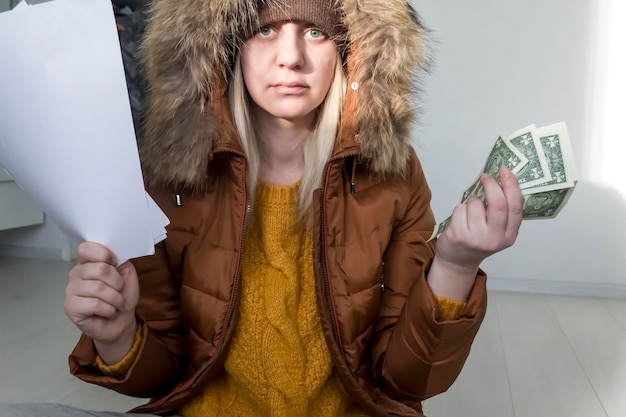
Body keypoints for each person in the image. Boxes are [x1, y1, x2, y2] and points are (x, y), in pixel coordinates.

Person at [0, 0, 523, 416]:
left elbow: (407, 382)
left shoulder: (395, 174)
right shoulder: (170, 179)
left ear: (350, 50)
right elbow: (162, 379)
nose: (290, 56)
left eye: (315, 32)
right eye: (264, 30)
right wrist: (115, 335)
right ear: (227, 49)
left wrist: (454, 266)